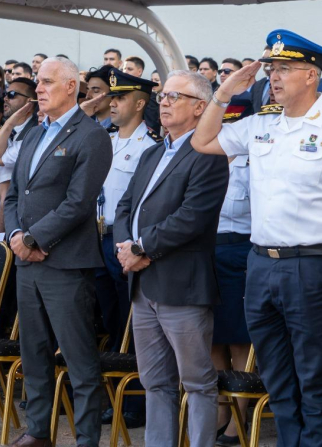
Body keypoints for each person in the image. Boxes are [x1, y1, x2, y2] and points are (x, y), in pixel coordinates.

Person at [192, 30, 322, 447]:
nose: (274, 77)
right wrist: (224, 92)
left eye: (285, 69)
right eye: (272, 69)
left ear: (311, 75)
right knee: (277, 379)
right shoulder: (260, 125)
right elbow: (202, 141)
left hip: (312, 266)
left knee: (315, 380)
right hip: (261, 264)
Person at [114, 70, 229, 447]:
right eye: (163, 96)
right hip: (143, 284)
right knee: (154, 381)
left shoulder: (208, 153)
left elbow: (192, 217)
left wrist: (141, 248)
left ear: (200, 108)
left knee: (196, 381)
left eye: (173, 97)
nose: (163, 102)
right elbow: (125, 206)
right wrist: (125, 247)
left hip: (181, 284)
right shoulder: (152, 152)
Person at [4, 56, 111, 447]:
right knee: (34, 353)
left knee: (80, 359)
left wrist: (33, 240)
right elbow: (16, 193)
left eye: (47, 82)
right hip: (27, 260)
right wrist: (17, 234)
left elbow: (78, 202)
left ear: (72, 86)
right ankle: (38, 431)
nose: (39, 89)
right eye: (37, 82)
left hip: (64, 263)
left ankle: (86, 439)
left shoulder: (91, 135)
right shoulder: (33, 133)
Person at [94, 68, 159, 431]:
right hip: (96, 239)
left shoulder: (149, 145)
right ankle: (112, 394)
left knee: (132, 326)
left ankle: (135, 401)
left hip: (125, 243)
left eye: (119, 98)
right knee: (111, 321)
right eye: (112, 97)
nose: (112, 103)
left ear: (139, 102)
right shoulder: (105, 139)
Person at [212, 94, 255, 447]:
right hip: (207, 252)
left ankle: (239, 415)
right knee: (213, 337)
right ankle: (222, 407)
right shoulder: (206, 157)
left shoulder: (256, 161)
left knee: (239, 338)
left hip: (241, 250)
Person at [0, 78, 38, 235]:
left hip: (23, 222)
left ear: (29, 102)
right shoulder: (6, 128)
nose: (5, 98)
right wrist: (10, 123)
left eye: (12, 94)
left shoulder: (35, 130)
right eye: (5, 94)